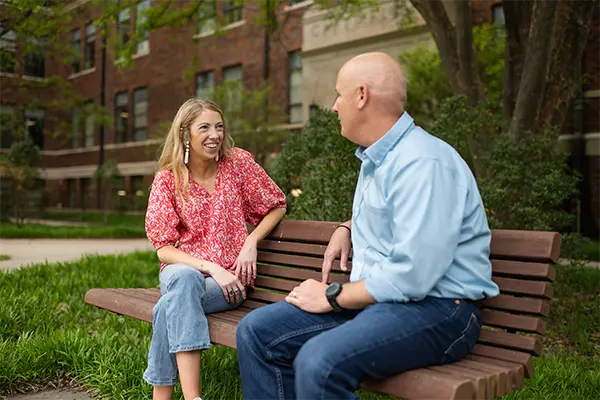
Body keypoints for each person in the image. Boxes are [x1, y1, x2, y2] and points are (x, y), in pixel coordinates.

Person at [235, 52, 500, 399]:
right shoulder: (378, 160)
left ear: (361, 96)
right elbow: (398, 218)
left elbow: (413, 275)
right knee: (256, 331)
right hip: (382, 302)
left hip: (439, 310)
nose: (333, 107)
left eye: (338, 95)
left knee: (320, 361)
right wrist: (348, 226)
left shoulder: (424, 162)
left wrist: (332, 296)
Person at [142, 98, 287, 400]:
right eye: (204, 127)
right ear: (185, 134)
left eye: (219, 127)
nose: (215, 135)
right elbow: (163, 249)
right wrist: (211, 267)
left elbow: (277, 205)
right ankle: (193, 398)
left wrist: (251, 242)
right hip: (188, 273)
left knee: (166, 308)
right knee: (183, 280)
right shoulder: (168, 180)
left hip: (231, 285)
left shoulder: (238, 164)